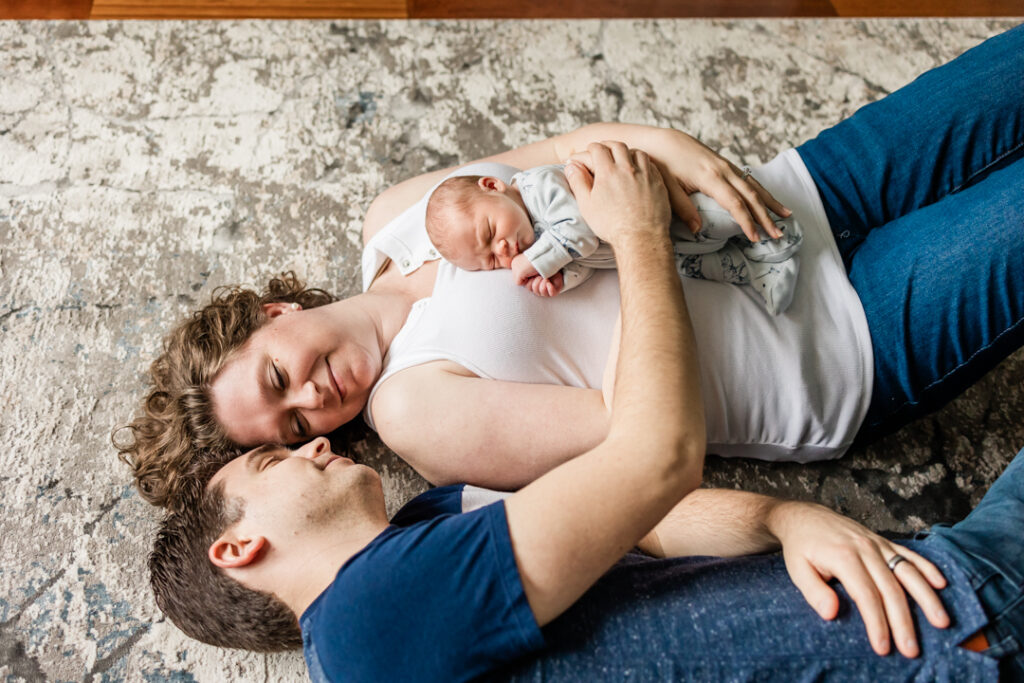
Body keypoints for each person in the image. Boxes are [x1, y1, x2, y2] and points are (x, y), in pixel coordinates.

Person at [148, 149, 1022, 681]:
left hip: (930, 585)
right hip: (942, 633)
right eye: (281, 453)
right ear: (239, 546)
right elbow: (653, 458)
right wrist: (637, 232)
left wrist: (784, 516)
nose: (317, 437)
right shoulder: (365, 632)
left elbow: (648, 521)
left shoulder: (423, 537)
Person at [117, 25, 1024, 507]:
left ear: (275, 314)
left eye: (278, 376)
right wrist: (633, 235)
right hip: (843, 337)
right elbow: (645, 435)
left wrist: (683, 153)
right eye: (288, 425)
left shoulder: (393, 219)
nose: (310, 398)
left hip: (795, 191)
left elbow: (571, 148)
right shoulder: (416, 410)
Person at [423, 164, 802, 313]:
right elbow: (587, 264)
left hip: (668, 214)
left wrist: (535, 262)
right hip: (657, 249)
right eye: (491, 260)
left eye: (490, 233)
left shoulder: (540, 187)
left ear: (493, 186)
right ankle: (755, 272)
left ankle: (772, 225)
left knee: (715, 220)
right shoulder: (535, 237)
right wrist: (562, 279)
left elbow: (583, 234)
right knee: (702, 268)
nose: (503, 250)